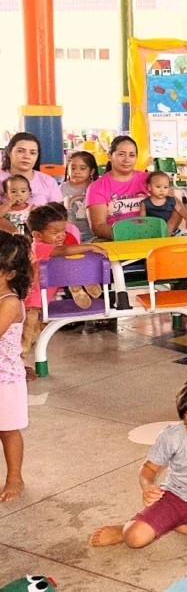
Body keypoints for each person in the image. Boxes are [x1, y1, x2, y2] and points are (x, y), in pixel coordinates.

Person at [88, 375, 187, 558]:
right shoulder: (171, 436)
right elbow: (148, 468)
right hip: (174, 496)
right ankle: (126, 529)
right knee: (133, 538)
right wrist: (147, 485)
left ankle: (177, 525)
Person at [0, 233, 30, 502]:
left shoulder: (9, 302)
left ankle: (14, 477)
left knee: (7, 429)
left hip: (4, 380)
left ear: (9, 273)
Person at [85, 135, 149, 241]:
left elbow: (175, 206)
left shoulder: (149, 179)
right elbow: (98, 227)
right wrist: (132, 235)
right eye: (121, 154)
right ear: (110, 156)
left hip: (151, 237)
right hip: (115, 239)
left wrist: (166, 231)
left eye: (132, 155)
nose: (127, 160)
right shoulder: (97, 187)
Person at [0, 133, 61, 207]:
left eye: (32, 153)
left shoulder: (49, 182)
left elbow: (59, 213)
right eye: (20, 151)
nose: (27, 156)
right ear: (9, 152)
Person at [61, 150, 98, 241]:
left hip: (93, 236)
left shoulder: (96, 188)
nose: (77, 172)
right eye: (73, 168)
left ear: (91, 171)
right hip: (68, 236)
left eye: (82, 168)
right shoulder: (62, 188)